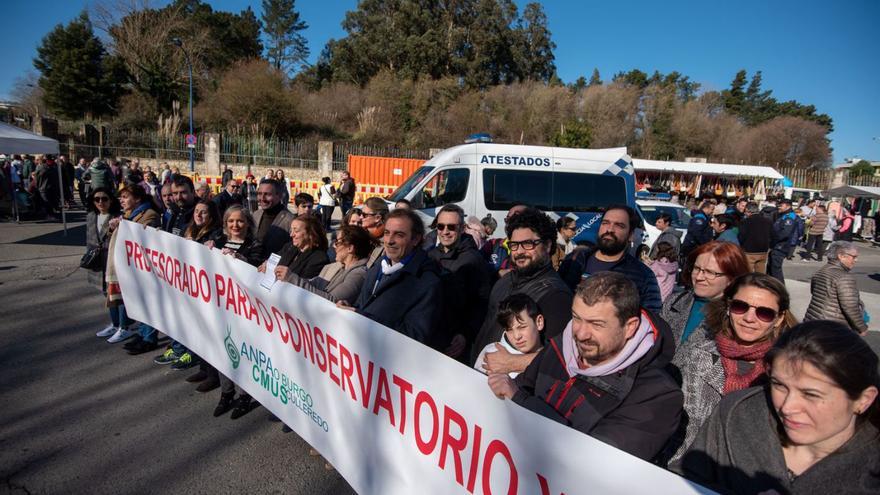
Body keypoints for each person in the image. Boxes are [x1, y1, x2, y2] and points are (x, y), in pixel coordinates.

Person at [487, 271, 683, 461]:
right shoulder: (560, 345)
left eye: (596, 324)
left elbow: (590, 463)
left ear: (629, 327)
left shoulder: (657, 395)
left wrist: (520, 400)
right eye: (576, 318)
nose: (580, 334)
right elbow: (523, 385)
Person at [679, 320, 879, 494]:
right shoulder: (736, 412)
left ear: (864, 400)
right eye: (779, 385)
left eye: (811, 394)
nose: (787, 407)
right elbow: (685, 476)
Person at [664, 273, 797, 467]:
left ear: (779, 319)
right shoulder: (697, 354)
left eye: (764, 313)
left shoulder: (788, 370)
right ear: (728, 308)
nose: (749, 318)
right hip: (687, 467)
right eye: (740, 307)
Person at [472, 207, 573, 375]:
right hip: (479, 380)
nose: (519, 252)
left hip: (512, 392)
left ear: (547, 245)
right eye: (514, 245)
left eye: (528, 244)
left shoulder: (557, 296)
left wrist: (511, 363)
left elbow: (560, 360)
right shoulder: (504, 281)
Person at [343, 209, 443, 347]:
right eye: (386, 233)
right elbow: (362, 305)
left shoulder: (427, 282)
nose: (389, 241)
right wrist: (349, 309)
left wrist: (365, 319)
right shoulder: (377, 267)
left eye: (399, 235)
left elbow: (415, 337)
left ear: (415, 239)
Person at [211, 205, 267, 419]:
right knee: (221, 350)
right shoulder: (217, 240)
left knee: (242, 353)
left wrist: (240, 260)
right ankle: (226, 393)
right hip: (219, 305)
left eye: (240, 221)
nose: (235, 225)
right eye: (231, 221)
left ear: (248, 224)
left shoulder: (255, 244)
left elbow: (255, 268)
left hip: (243, 309)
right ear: (225, 224)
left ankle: (245, 395)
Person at [557, 205, 662, 313]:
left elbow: (651, 321)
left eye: (619, 225)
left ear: (630, 235)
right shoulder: (575, 260)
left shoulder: (644, 276)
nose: (610, 229)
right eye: (605, 223)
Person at [427, 204, 492, 361]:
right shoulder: (430, 255)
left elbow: (482, 304)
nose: (445, 231)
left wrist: (465, 334)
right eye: (440, 226)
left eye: (451, 227)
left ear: (462, 228)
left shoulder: (474, 260)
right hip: (430, 337)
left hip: (455, 344)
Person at [662, 241, 751, 346]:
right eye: (697, 268)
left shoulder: (739, 316)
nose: (699, 277)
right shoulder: (674, 301)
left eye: (710, 272)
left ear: (732, 279)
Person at [279, 224, 371, 303]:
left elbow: (331, 300)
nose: (334, 247)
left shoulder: (359, 274)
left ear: (350, 248)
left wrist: (292, 279)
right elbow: (313, 284)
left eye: (338, 243)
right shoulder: (337, 267)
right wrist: (284, 277)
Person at [803, 241, 868, 335]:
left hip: (812, 321)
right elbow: (850, 307)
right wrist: (862, 327)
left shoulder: (821, 271)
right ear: (841, 256)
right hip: (831, 328)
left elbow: (813, 292)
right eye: (853, 257)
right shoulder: (845, 277)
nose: (856, 260)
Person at [473, 293, 543, 378]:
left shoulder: (557, 354)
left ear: (539, 322)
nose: (517, 336)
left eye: (522, 327)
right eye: (509, 330)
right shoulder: (492, 352)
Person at [87, 188, 125, 339]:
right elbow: (89, 239)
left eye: (104, 199)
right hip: (97, 261)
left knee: (117, 295)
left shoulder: (118, 217)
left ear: (111, 200)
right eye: (97, 199)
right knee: (106, 294)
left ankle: (123, 326)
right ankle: (115, 324)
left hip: (112, 261)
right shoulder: (91, 216)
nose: (101, 202)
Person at [274, 215, 330, 280]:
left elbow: (306, 285)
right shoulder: (289, 246)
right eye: (291, 230)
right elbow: (275, 260)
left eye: (296, 231)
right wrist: (268, 265)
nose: (291, 235)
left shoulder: (319, 258)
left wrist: (289, 277)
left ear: (310, 234)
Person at [252, 179, 296, 256]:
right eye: (259, 193)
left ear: (279, 195)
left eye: (267, 194)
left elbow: (293, 250)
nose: (262, 198)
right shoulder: (255, 215)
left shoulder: (291, 220)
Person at [480, 205, 526, 278]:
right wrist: (497, 273)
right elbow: (475, 265)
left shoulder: (532, 250)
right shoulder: (493, 244)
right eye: (508, 219)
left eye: (516, 218)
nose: (510, 223)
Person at [737, 201, 773, 273]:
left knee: (747, 273)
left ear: (748, 211)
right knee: (760, 273)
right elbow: (772, 235)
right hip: (763, 251)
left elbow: (741, 236)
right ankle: (759, 284)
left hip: (749, 251)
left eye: (745, 211)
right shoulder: (768, 221)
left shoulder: (745, 221)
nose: (744, 213)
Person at [768, 198, 797, 283]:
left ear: (788, 206)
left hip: (780, 246)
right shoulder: (782, 216)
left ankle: (780, 288)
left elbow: (784, 234)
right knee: (771, 268)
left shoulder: (789, 217)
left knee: (776, 270)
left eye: (781, 205)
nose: (779, 207)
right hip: (776, 246)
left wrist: (773, 241)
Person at [360, 197, 390, 267]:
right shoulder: (362, 235)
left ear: (377, 218)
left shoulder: (387, 242)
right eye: (361, 213)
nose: (361, 217)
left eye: (364, 215)